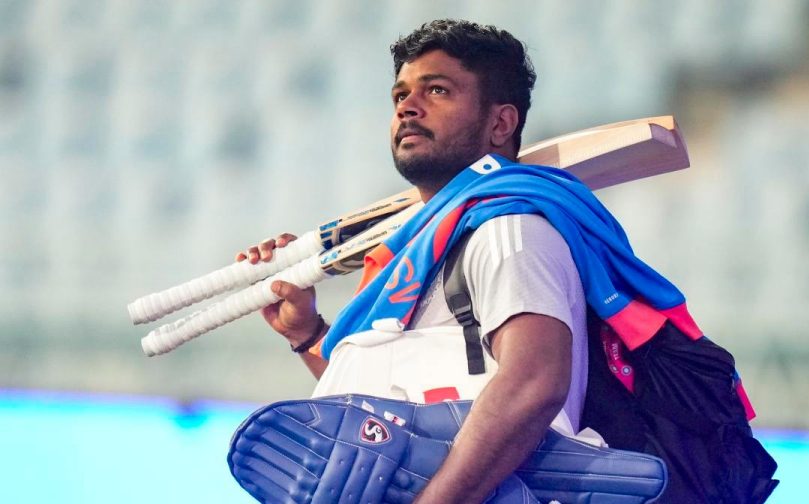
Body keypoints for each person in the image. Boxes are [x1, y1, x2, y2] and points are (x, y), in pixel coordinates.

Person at [236, 19, 776, 503]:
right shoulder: (413, 254)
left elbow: (532, 385)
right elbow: (398, 415)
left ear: (500, 125)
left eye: (437, 90)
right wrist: (307, 334)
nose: (407, 106)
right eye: (400, 93)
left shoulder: (507, 228)